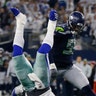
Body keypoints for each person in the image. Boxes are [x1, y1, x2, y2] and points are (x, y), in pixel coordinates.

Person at [10, 7, 57, 96]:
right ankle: (52, 24)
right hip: (43, 87)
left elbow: (15, 92)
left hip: (28, 86)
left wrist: (18, 91)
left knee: (16, 55)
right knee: (42, 54)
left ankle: (20, 22)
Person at [49, 11, 96, 96]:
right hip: (53, 68)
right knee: (37, 91)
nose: (77, 29)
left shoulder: (72, 32)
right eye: (76, 26)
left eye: (79, 27)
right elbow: (48, 46)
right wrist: (51, 64)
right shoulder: (61, 30)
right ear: (71, 22)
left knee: (87, 89)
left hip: (68, 68)